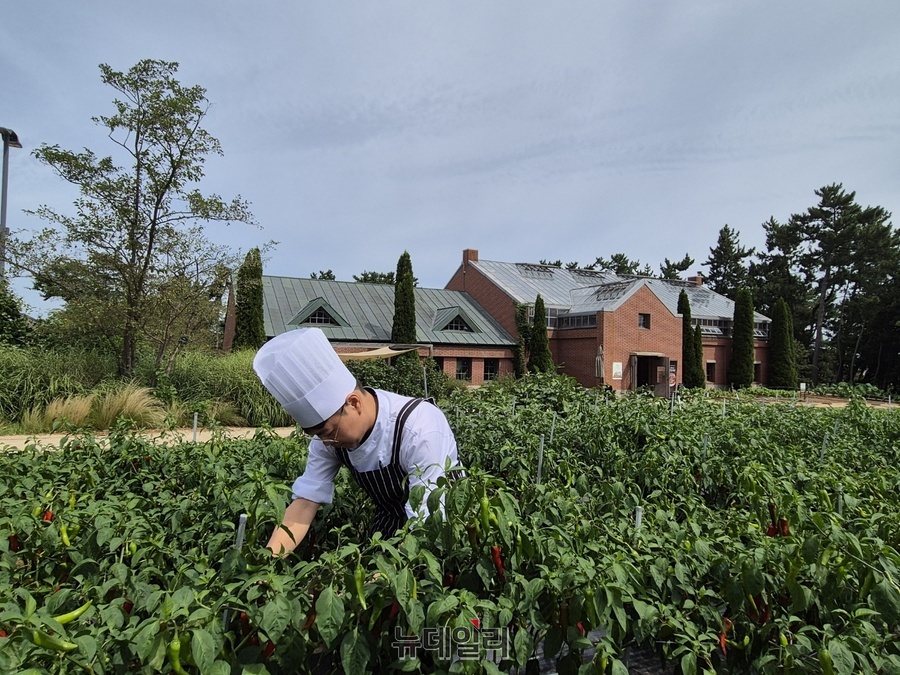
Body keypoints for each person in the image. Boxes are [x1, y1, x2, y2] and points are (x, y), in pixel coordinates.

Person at [253, 327, 461, 556]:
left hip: (447, 526)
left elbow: (427, 518)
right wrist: (268, 562)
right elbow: (305, 502)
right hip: (391, 522)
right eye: (316, 434)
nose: (325, 442)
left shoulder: (418, 426)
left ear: (354, 403)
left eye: (328, 431)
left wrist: (387, 574)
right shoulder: (326, 438)